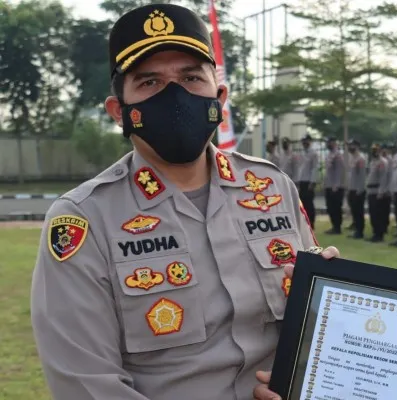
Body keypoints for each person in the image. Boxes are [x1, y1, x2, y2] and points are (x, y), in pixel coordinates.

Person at [30, 5, 339, 400]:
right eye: (150, 82)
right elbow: (86, 383)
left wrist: (333, 297)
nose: (175, 95)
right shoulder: (85, 219)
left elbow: (313, 339)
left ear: (219, 96)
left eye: (192, 77)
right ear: (118, 112)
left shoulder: (272, 187)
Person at [365, 143, 389, 242]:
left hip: (377, 191)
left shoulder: (382, 162)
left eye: (376, 150)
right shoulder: (373, 162)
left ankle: (379, 235)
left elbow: (383, 178)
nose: (374, 151)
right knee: (373, 214)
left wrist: (381, 191)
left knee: (378, 214)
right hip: (371, 190)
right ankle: (375, 233)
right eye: (373, 150)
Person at [345, 138, 366, 239]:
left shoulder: (360, 159)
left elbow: (362, 176)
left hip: (358, 190)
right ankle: (356, 229)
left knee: (359, 211)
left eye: (351, 145)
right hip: (352, 189)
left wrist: (359, 190)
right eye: (348, 145)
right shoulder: (352, 158)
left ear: (357, 146)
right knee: (354, 211)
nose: (349, 147)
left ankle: (360, 231)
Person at [297, 134, 319, 229]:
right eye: (303, 141)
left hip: (309, 181)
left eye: (306, 141)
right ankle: (305, 223)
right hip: (302, 180)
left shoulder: (313, 153)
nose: (304, 143)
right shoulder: (302, 153)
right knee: (303, 203)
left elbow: (314, 168)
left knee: (309, 203)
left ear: (310, 141)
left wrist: (312, 182)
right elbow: (300, 168)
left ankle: (311, 223)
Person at [323, 137, 344, 234]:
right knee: (330, 207)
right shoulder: (329, 155)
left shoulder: (338, 155)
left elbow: (339, 171)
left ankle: (337, 227)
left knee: (336, 207)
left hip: (336, 187)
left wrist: (336, 185)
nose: (328, 144)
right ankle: (333, 226)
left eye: (330, 142)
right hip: (328, 185)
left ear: (334, 143)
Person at [380, 143, 394, 237]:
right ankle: (382, 226)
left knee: (385, 209)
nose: (384, 151)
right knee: (380, 210)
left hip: (388, 188)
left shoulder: (390, 160)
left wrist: (388, 189)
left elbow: (391, 176)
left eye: (385, 149)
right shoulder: (380, 160)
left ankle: (385, 226)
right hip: (381, 188)